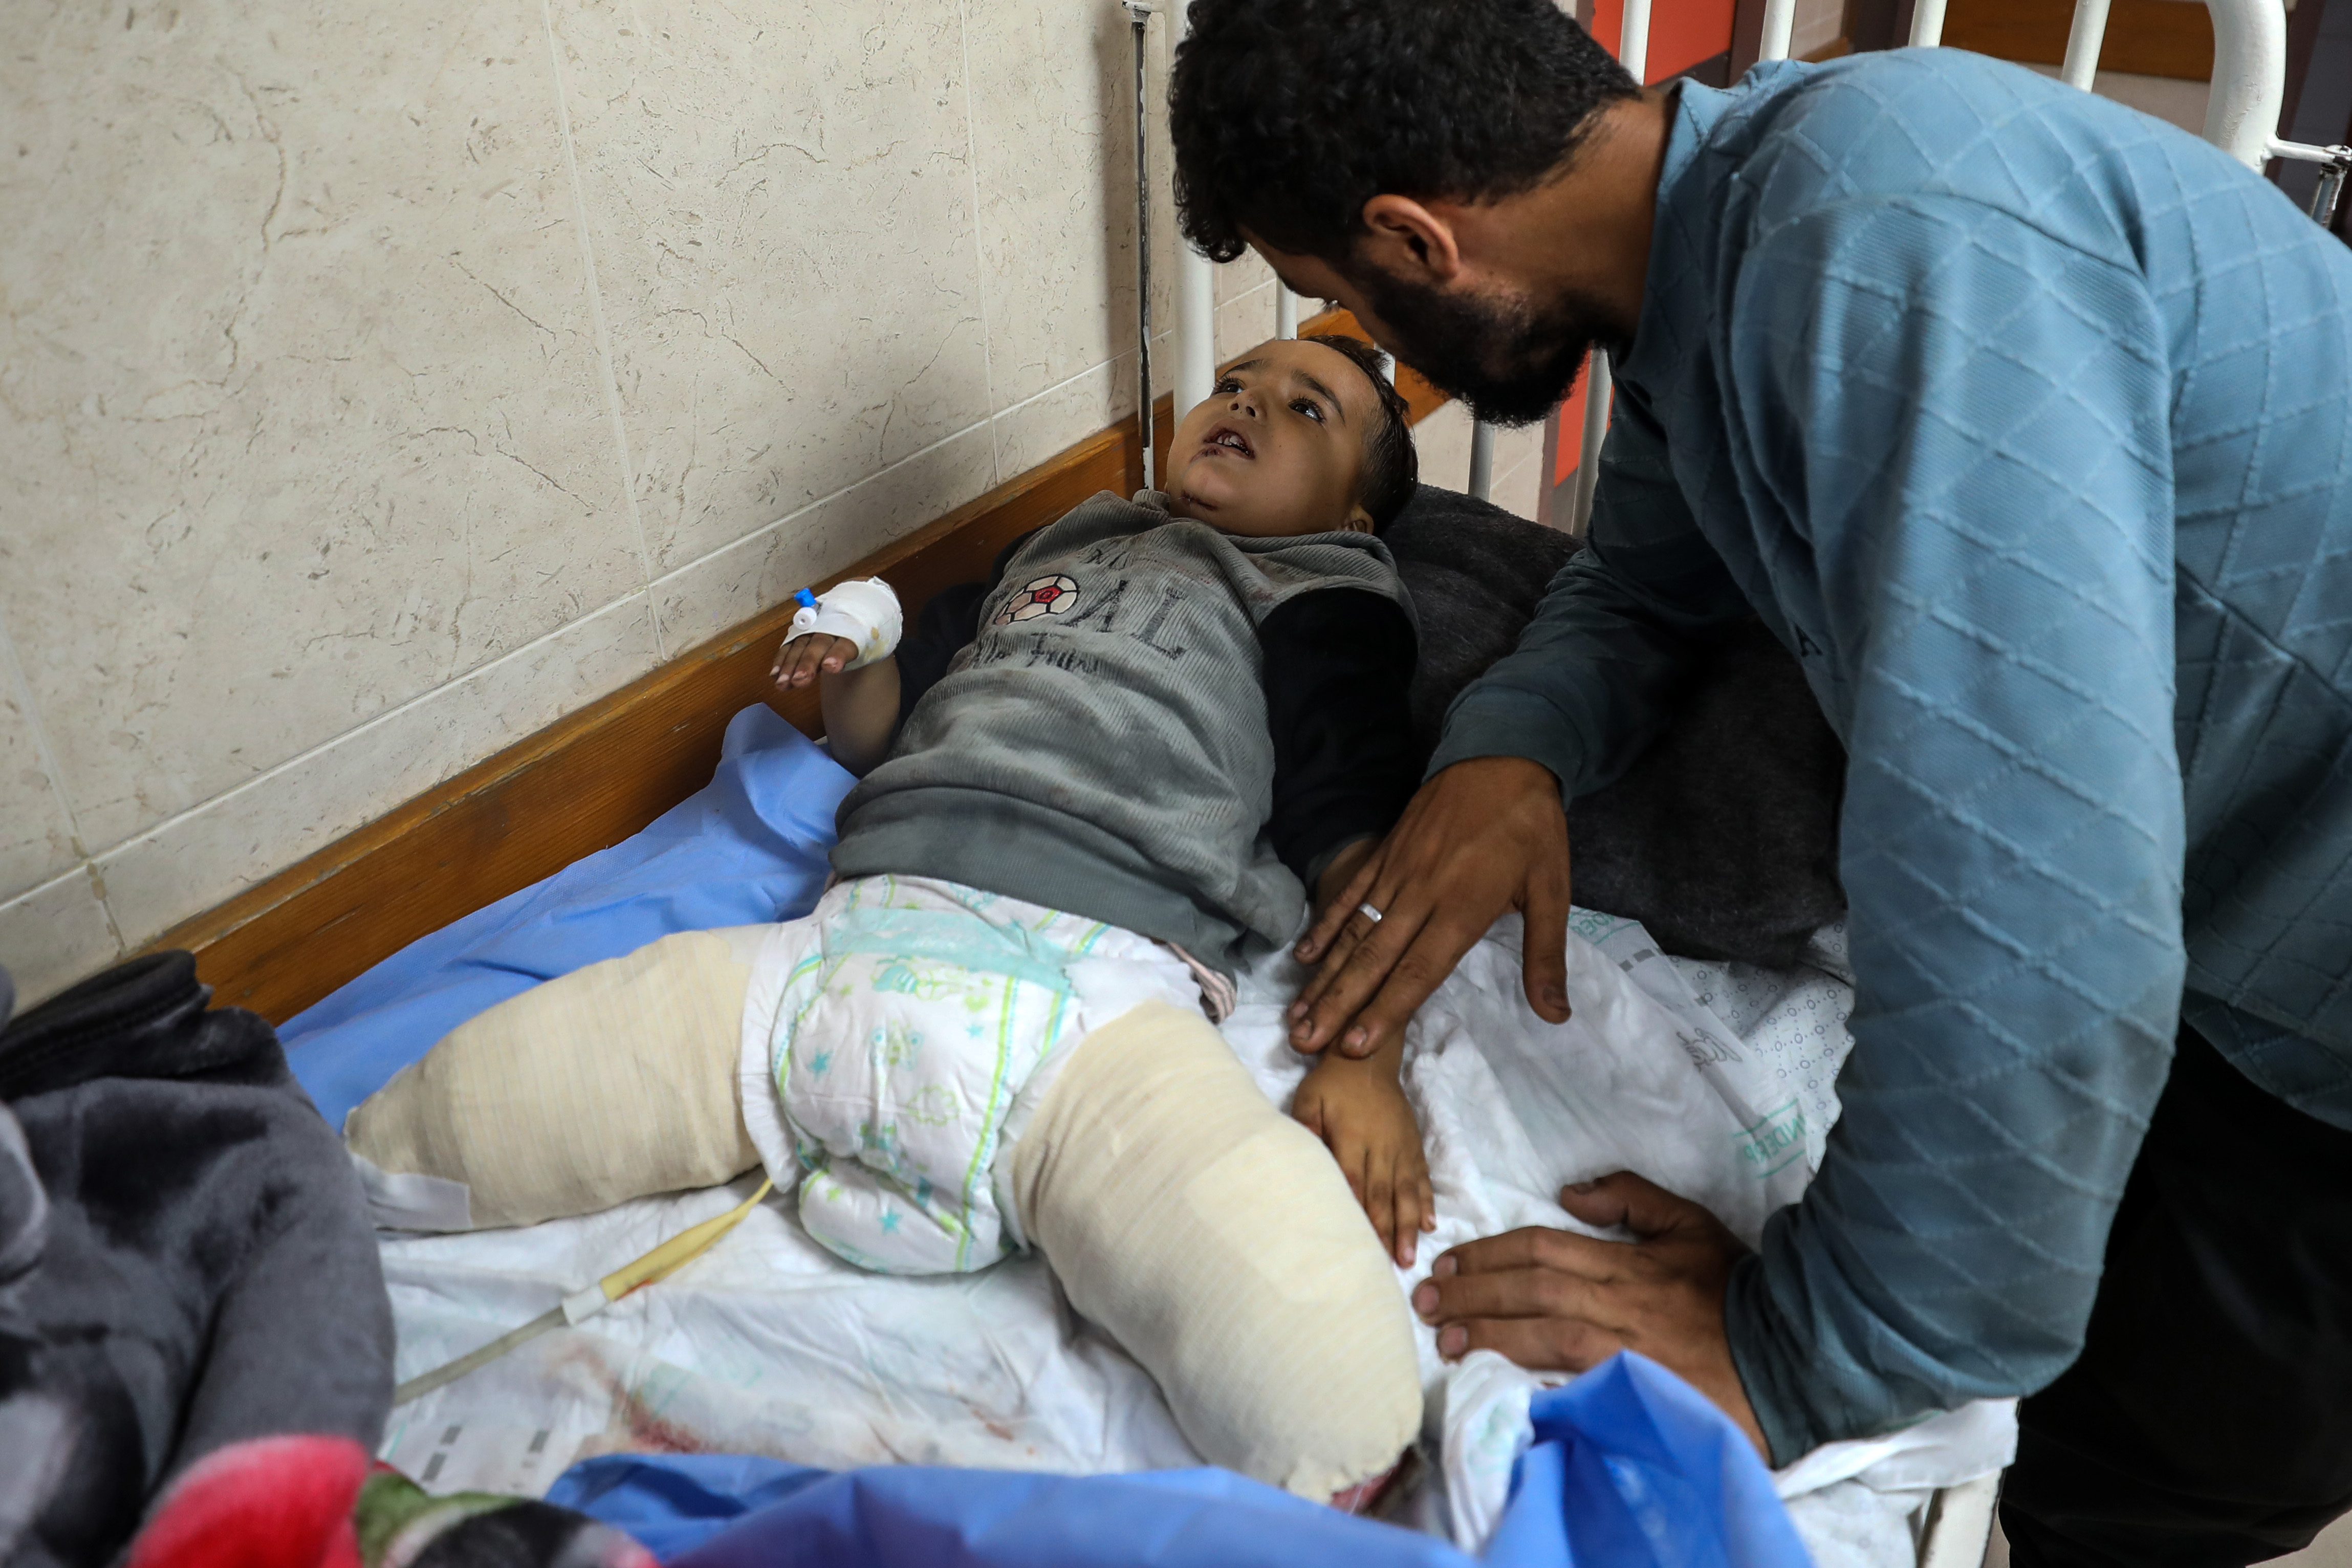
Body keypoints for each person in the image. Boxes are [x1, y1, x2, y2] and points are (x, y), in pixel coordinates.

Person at [1169, 3, 2352, 1562]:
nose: (1363, 341)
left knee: (2137, 1475)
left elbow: (2037, 929)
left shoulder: (1880, 254)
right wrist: (1510, 748)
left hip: (2313, 1026)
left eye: (1343, 304)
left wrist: (1796, 1352)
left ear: (1416, 242)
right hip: (2231, 903)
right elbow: (1639, 586)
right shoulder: (1718, 249)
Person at [771, 332, 1440, 1265]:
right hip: (905, 861)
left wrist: (1367, 1056)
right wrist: (857, 650)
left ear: (1353, 519)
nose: (1244, 401)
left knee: (1215, 1233)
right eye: (1233, 382)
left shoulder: (1323, 589)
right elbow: (877, 738)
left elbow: (1352, 818)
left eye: (1305, 408)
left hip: (1120, 908)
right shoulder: (1067, 540)